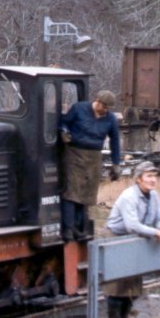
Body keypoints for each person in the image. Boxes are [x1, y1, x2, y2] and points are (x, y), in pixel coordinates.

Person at [103, 160, 160, 318]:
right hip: (119, 239)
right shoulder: (129, 196)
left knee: (133, 287)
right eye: (149, 176)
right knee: (117, 286)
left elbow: (159, 217)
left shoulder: (153, 196)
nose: (153, 180)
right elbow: (132, 225)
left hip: (136, 240)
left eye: (154, 176)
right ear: (139, 179)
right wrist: (159, 234)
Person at [59, 90, 121, 241]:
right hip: (74, 154)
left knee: (87, 194)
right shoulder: (79, 109)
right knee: (72, 192)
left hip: (94, 157)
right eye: (105, 107)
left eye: (109, 108)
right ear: (97, 101)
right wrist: (64, 131)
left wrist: (116, 163)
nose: (106, 110)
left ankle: (80, 228)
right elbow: (63, 122)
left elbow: (115, 141)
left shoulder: (110, 119)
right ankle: (68, 229)